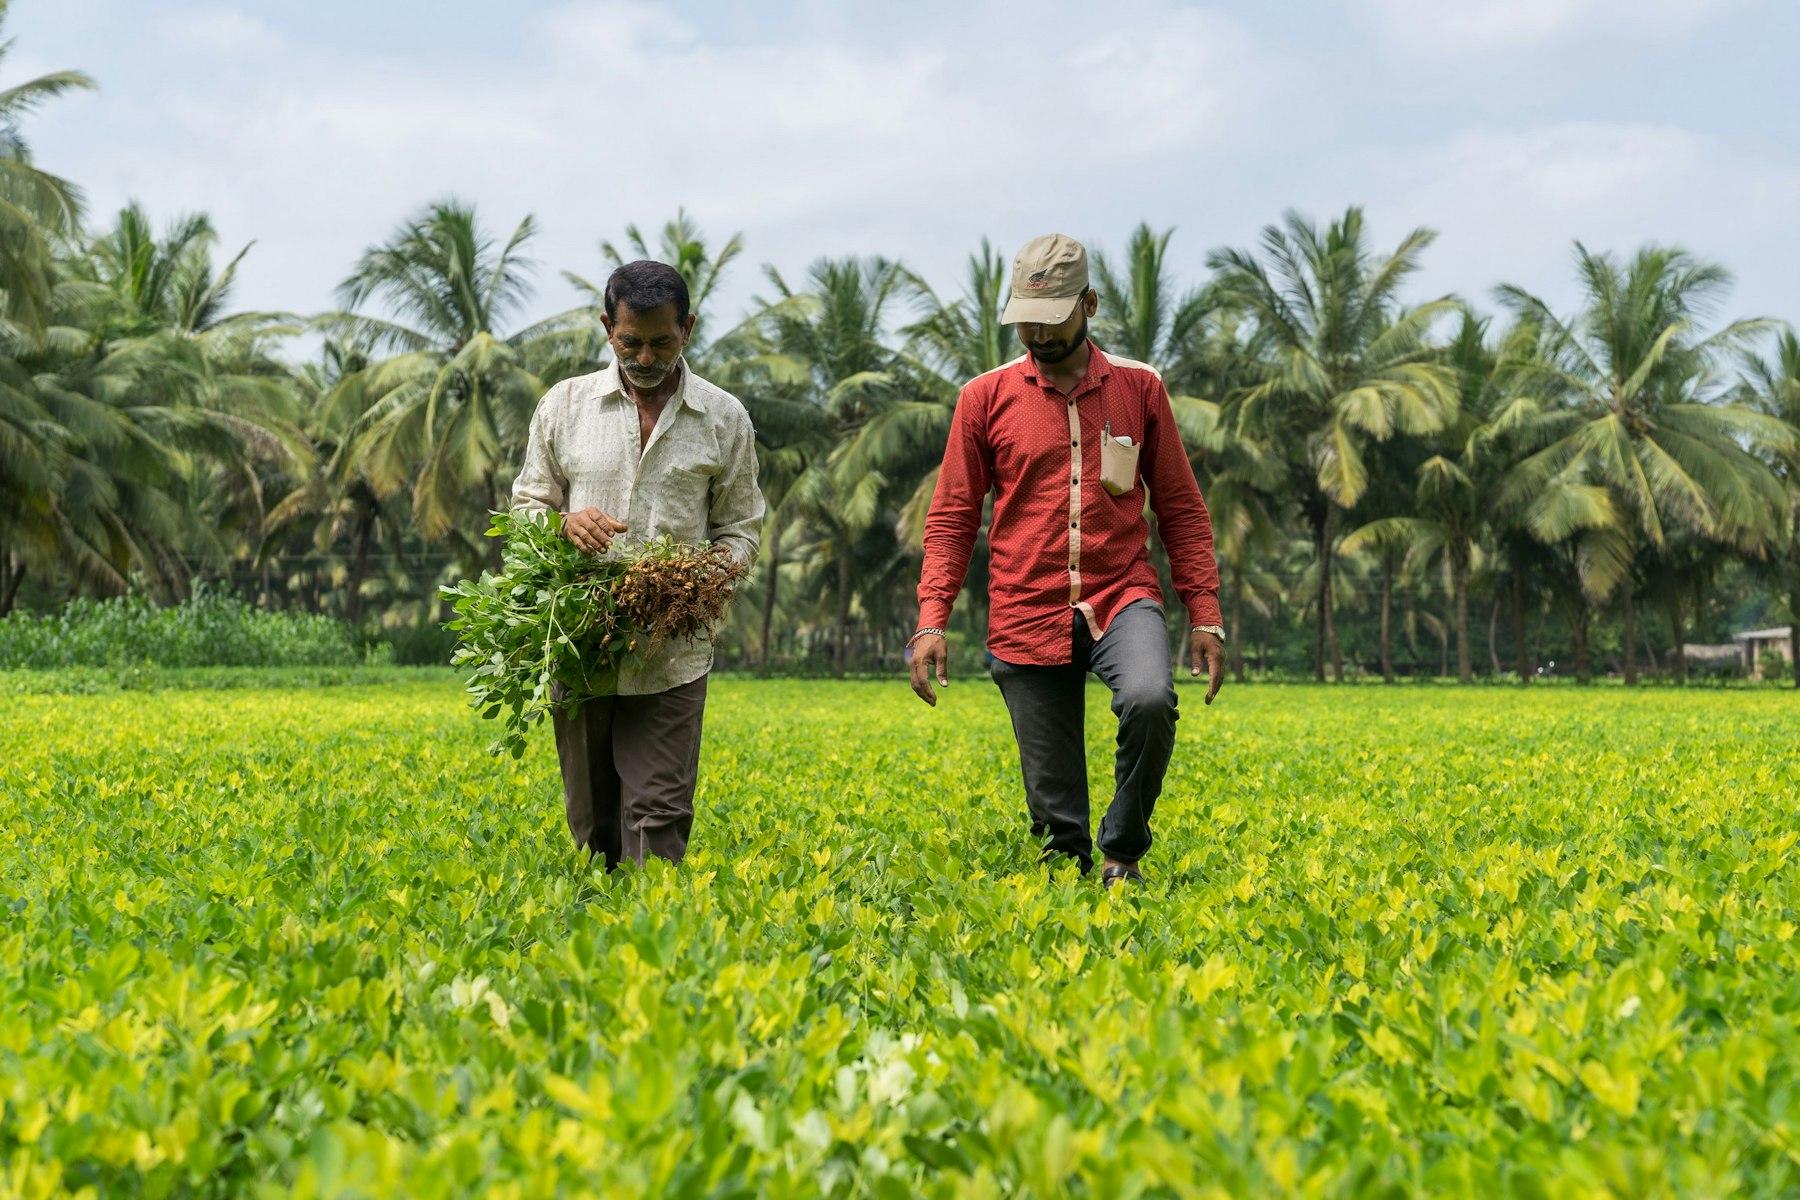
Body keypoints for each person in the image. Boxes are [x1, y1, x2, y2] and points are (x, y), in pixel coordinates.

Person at [908, 233, 1225, 888]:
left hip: (1121, 594)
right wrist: (932, 619)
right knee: (1057, 835)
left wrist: (1206, 614)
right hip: (1026, 609)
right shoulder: (984, 399)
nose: (1038, 334)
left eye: (1052, 320)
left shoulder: (1139, 390)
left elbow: (1183, 511)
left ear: (1090, 304)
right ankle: (1075, 867)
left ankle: (1124, 853)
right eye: (1026, 318)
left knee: (1148, 699)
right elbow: (951, 517)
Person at [512, 260, 764, 867]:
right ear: (607, 327)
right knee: (594, 826)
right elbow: (526, 509)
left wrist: (700, 582)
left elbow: (740, 530)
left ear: (689, 329)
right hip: (580, 641)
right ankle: (600, 943)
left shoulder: (724, 418)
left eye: (661, 342)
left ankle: (653, 938)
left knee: (659, 816)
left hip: (671, 650)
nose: (645, 357)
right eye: (631, 342)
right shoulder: (564, 406)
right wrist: (562, 525)